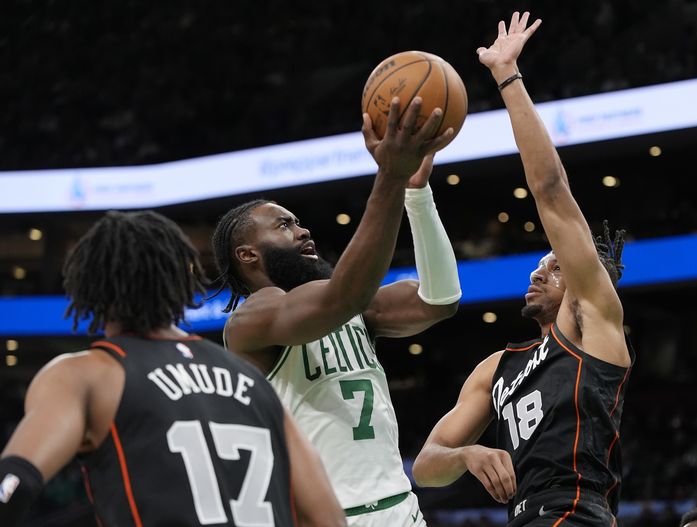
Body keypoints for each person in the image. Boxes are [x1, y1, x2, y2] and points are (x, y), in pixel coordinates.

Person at [412, 12, 634, 527]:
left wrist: (508, 78)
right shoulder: (497, 368)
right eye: (539, 265)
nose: (539, 272)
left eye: (555, 267)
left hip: (575, 513)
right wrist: (467, 456)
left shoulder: (592, 323)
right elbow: (426, 465)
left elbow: (551, 192)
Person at [0, 211, 344, 527]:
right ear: (181, 279)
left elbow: (16, 481)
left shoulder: (89, 373)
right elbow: (328, 519)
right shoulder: (251, 379)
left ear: (89, 287)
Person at [213, 97, 461, 526]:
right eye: (284, 225)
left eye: (297, 221)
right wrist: (390, 174)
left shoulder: (354, 308)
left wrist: (416, 195)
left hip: (401, 509)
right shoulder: (250, 321)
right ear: (248, 255)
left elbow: (438, 301)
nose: (303, 229)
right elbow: (342, 296)